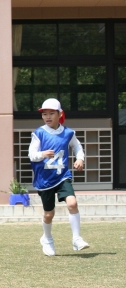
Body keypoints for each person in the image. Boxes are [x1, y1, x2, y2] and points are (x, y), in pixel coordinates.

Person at [29, 98, 89, 256]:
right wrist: (42, 154)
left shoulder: (68, 133)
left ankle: (76, 239)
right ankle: (47, 239)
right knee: (49, 214)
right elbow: (31, 155)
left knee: (72, 203)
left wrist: (80, 158)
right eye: (44, 114)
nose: (47, 117)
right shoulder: (39, 133)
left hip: (62, 175)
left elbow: (77, 146)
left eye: (51, 113)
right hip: (45, 179)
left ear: (59, 114)